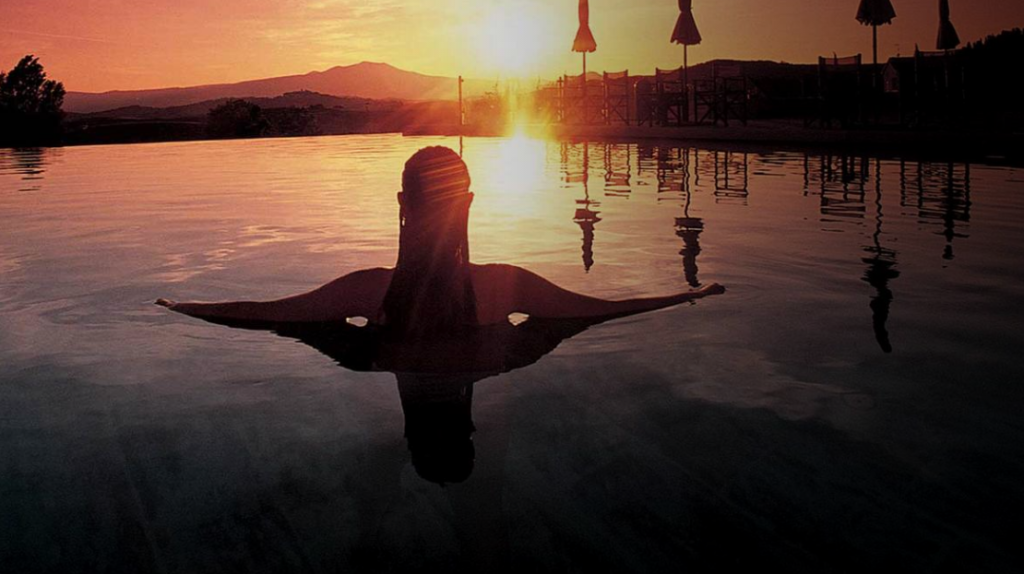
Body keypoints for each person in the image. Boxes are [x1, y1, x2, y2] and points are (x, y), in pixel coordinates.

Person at [157, 146, 724, 332]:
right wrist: (686, 296)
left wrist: (180, 306)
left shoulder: (368, 293)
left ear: (402, 204)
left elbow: (266, 314)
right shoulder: (505, 287)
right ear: (470, 205)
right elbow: (602, 311)